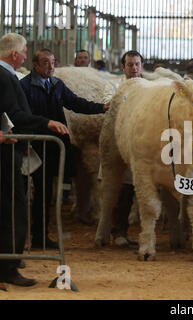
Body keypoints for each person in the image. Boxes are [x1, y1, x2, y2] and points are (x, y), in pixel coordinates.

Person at [20, 48, 109, 249]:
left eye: (53, 62)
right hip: (34, 146)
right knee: (35, 193)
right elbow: (22, 116)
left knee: (46, 195)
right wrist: (46, 123)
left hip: (53, 148)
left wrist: (101, 107)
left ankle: (40, 236)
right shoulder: (24, 86)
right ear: (35, 65)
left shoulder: (57, 84)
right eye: (45, 63)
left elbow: (75, 103)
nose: (51, 67)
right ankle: (32, 237)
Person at [0, 33, 68, 287]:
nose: (27, 55)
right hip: (5, 153)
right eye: (25, 51)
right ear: (15, 54)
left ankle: (8, 262)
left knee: (12, 206)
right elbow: (13, 113)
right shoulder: (4, 76)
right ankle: (8, 266)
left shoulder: (6, 75)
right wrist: (46, 122)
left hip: (9, 147)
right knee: (13, 208)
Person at [108, 50, 145, 247]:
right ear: (123, 67)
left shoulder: (148, 88)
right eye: (130, 64)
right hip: (120, 146)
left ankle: (147, 234)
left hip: (143, 146)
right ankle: (118, 231)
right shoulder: (117, 88)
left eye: (137, 64)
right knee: (123, 191)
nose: (134, 68)